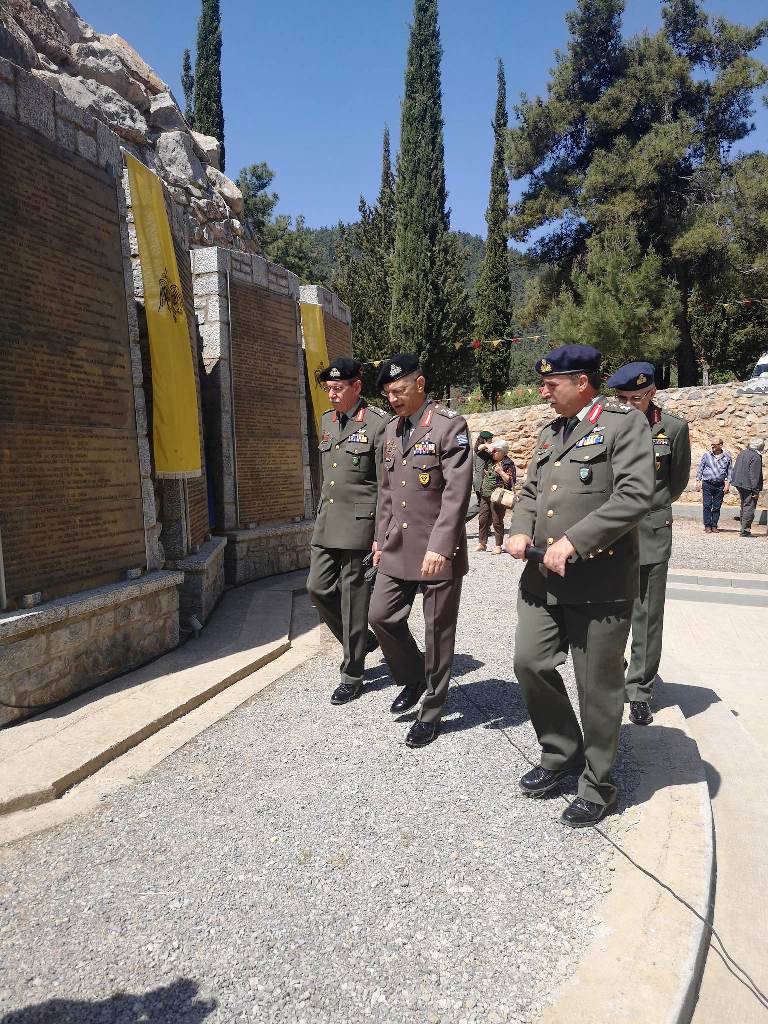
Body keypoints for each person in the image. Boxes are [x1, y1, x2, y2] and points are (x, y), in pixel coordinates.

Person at [506, 344, 654, 827]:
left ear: (582, 383)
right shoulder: (551, 432)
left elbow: (635, 495)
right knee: (529, 662)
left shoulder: (623, 425)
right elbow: (531, 491)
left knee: (597, 688)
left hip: (599, 582)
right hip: (542, 578)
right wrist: (520, 528)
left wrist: (576, 540)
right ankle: (561, 750)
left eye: (551, 384)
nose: (543, 392)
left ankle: (598, 784)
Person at [369, 353, 473, 748]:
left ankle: (432, 709)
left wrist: (442, 547)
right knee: (381, 616)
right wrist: (380, 539)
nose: (393, 399)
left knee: (437, 631)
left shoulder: (449, 426)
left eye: (399, 390)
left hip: (436, 549)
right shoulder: (391, 430)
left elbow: (456, 493)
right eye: (388, 393)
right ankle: (413, 677)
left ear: (420, 384)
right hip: (397, 544)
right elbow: (386, 492)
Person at [605, 362, 691, 726]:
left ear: (652, 393)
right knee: (609, 611)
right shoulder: (607, 424)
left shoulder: (672, 428)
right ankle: (613, 672)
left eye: (635, 398)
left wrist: (649, 510)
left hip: (651, 532)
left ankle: (639, 689)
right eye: (621, 398)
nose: (627, 405)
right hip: (610, 533)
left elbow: (676, 482)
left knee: (647, 615)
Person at [307, 357, 389, 705]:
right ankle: (361, 640)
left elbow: (386, 485)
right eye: (329, 389)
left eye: (338, 389)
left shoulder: (378, 424)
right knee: (317, 588)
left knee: (354, 600)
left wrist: (380, 534)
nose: (332, 395)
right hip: (327, 521)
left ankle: (352, 674)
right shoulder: (327, 421)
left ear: (357, 386)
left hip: (359, 525)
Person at [477, 439, 516, 554]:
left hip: (498, 496)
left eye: (496, 451)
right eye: (493, 451)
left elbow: (511, 481)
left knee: (497, 521)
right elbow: (477, 449)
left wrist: (500, 472)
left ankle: (498, 545)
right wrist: (488, 445)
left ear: (503, 452)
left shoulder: (508, 464)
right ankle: (482, 543)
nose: (493, 453)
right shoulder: (489, 459)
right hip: (485, 494)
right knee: (482, 519)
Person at [695, 437, 733, 533]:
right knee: (707, 505)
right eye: (712, 445)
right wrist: (698, 481)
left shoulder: (727, 457)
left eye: (715, 445)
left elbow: (729, 471)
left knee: (717, 506)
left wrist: (728, 484)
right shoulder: (706, 455)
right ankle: (707, 525)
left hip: (720, 485)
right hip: (707, 483)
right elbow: (700, 468)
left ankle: (714, 525)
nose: (713, 446)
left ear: (721, 445)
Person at [731, 439, 764, 537]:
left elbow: (736, 468)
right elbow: (754, 475)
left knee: (744, 506)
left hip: (739, 483)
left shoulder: (743, 453)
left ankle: (743, 528)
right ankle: (745, 531)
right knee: (749, 507)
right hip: (748, 485)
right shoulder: (756, 456)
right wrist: (756, 491)